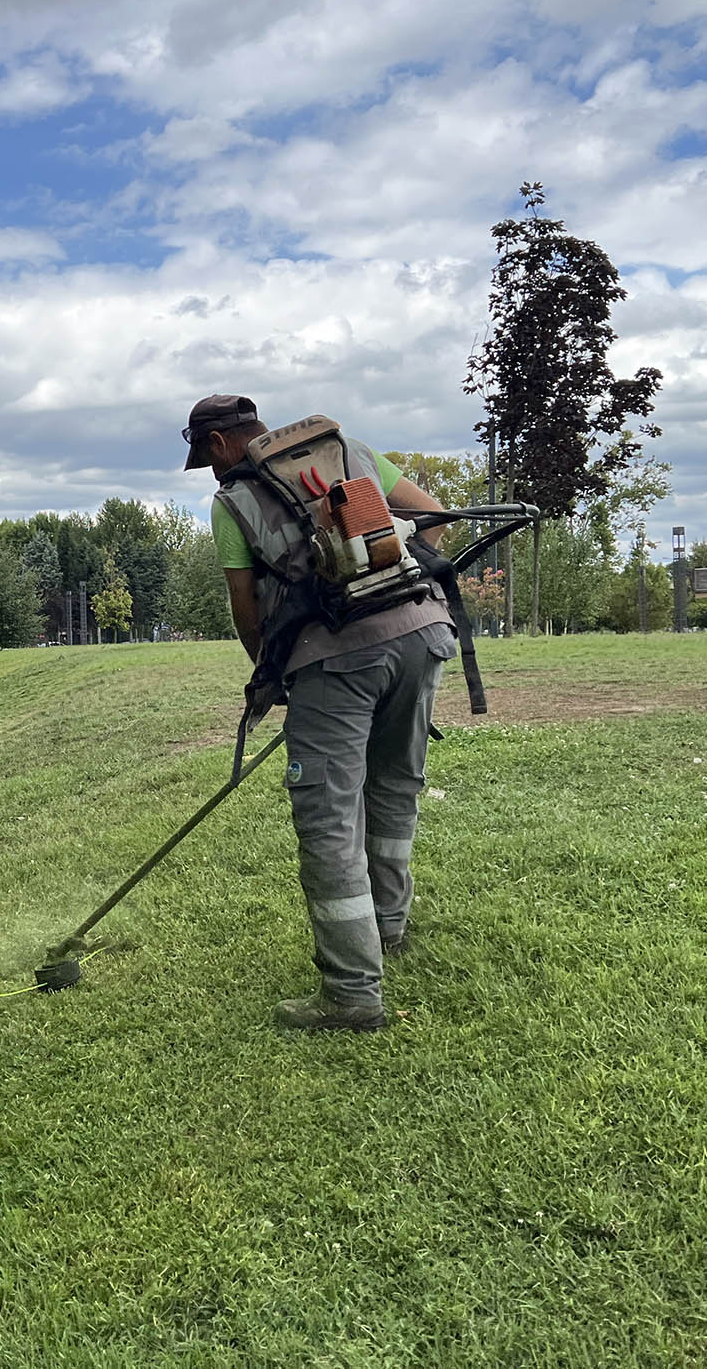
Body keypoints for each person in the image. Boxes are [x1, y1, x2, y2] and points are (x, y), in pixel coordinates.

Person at [184, 393, 457, 1033]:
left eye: (207, 459)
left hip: (334, 659)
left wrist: (273, 672)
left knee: (329, 818)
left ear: (219, 443)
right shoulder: (348, 449)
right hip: (423, 634)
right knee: (393, 787)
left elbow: (245, 605)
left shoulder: (233, 500)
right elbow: (433, 516)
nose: (212, 471)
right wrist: (394, 579)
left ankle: (352, 993)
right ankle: (387, 928)